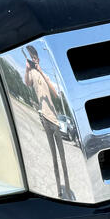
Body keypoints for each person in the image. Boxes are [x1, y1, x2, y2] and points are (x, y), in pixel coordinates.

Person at [24, 45, 73, 200]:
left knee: (63, 158)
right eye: (31, 58)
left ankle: (68, 188)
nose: (34, 60)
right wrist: (27, 69)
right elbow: (27, 83)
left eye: (35, 58)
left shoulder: (45, 75)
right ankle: (59, 191)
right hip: (45, 119)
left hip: (55, 121)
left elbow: (56, 94)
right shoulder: (31, 73)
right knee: (54, 158)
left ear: (38, 59)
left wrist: (42, 72)